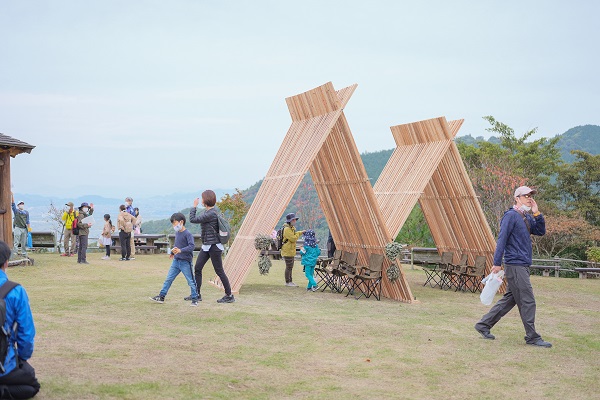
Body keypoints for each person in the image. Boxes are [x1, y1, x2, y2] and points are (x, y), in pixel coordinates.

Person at [475, 186, 552, 348]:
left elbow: (540, 231)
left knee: (510, 299)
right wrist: (496, 263)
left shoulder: (527, 217)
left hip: (522, 265)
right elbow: (501, 239)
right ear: (517, 198)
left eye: (531, 196)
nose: (529, 198)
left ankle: (484, 325)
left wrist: (537, 213)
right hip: (515, 265)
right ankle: (532, 337)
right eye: (526, 196)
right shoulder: (510, 216)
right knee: (528, 300)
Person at [0, 240, 40, 399]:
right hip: (3, 363)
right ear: (6, 263)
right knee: (31, 384)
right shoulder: (15, 291)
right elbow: (26, 332)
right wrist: (21, 358)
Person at [189, 190, 235, 303]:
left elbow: (193, 219)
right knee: (198, 268)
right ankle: (197, 294)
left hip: (214, 246)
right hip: (207, 246)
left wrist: (194, 206)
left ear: (206, 200)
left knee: (219, 271)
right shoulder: (208, 212)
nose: (201, 200)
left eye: (202, 198)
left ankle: (229, 295)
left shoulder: (211, 214)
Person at [150, 213, 199, 306]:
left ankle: (195, 299)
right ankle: (161, 296)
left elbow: (192, 246)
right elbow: (177, 245)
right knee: (168, 279)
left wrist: (181, 250)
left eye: (175, 223)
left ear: (181, 222)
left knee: (190, 281)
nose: (174, 226)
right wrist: (173, 252)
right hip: (176, 261)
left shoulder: (188, 234)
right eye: (172, 224)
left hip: (186, 262)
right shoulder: (177, 233)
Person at [281, 212, 304, 287]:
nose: (295, 221)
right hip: (287, 250)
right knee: (289, 267)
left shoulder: (291, 228)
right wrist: (298, 234)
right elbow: (293, 239)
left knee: (290, 267)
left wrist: (300, 232)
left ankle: (290, 281)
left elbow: (294, 235)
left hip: (290, 251)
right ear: (290, 221)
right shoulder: (287, 229)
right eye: (293, 220)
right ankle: (288, 282)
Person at [10, 194, 30, 259]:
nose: (22, 205)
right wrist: (12, 196)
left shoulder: (26, 212)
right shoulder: (16, 211)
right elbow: (13, 205)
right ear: (18, 205)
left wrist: (29, 229)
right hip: (17, 227)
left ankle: (24, 254)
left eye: (22, 203)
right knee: (16, 242)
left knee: (23, 242)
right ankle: (15, 254)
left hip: (24, 228)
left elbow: (28, 221)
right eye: (20, 204)